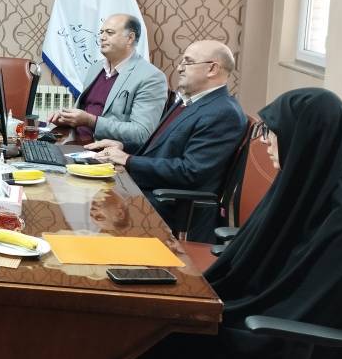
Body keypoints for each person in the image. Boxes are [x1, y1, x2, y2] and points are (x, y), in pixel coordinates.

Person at [121, 88, 342, 359]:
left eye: (273, 133)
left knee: (154, 347)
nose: (266, 142)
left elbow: (312, 310)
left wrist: (226, 320)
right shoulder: (304, 182)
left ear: (304, 138)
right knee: (155, 324)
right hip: (262, 325)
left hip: (291, 356)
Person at [86, 40, 246, 242]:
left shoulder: (223, 112)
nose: (179, 68)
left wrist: (128, 160)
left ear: (212, 69)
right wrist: (122, 147)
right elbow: (162, 146)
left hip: (171, 205)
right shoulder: (189, 101)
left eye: (188, 62)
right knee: (81, 184)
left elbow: (191, 172)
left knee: (89, 207)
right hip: (148, 189)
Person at [49, 14, 167, 147]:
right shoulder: (95, 68)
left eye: (109, 33)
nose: (102, 37)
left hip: (103, 151)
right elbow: (84, 110)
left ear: (130, 38)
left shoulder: (151, 77)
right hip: (73, 141)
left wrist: (91, 121)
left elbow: (141, 134)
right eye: (101, 32)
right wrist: (67, 118)